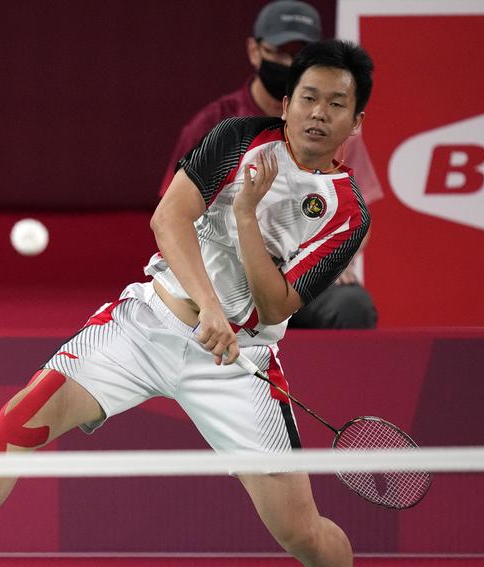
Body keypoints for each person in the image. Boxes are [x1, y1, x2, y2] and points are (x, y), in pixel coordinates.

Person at [0, 40, 396, 567]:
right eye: (307, 97)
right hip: (145, 323)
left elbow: (273, 305)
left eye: (336, 104)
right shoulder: (236, 140)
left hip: (236, 367)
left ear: (355, 124)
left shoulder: (347, 212)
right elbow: (166, 218)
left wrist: (241, 216)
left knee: (299, 530)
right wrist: (206, 303)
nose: (317, 113)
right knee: (17, 421)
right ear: (287, 102)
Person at [160, 0, 380, 329]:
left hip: (296, 272)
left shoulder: (338, 135)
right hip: (219, 267)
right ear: (255, 50)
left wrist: (333, 258)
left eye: (299, 52)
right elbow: (173, 213)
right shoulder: (222, 126)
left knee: (351, 305)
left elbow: (356, 219)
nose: (288, 62)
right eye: (279, 51)